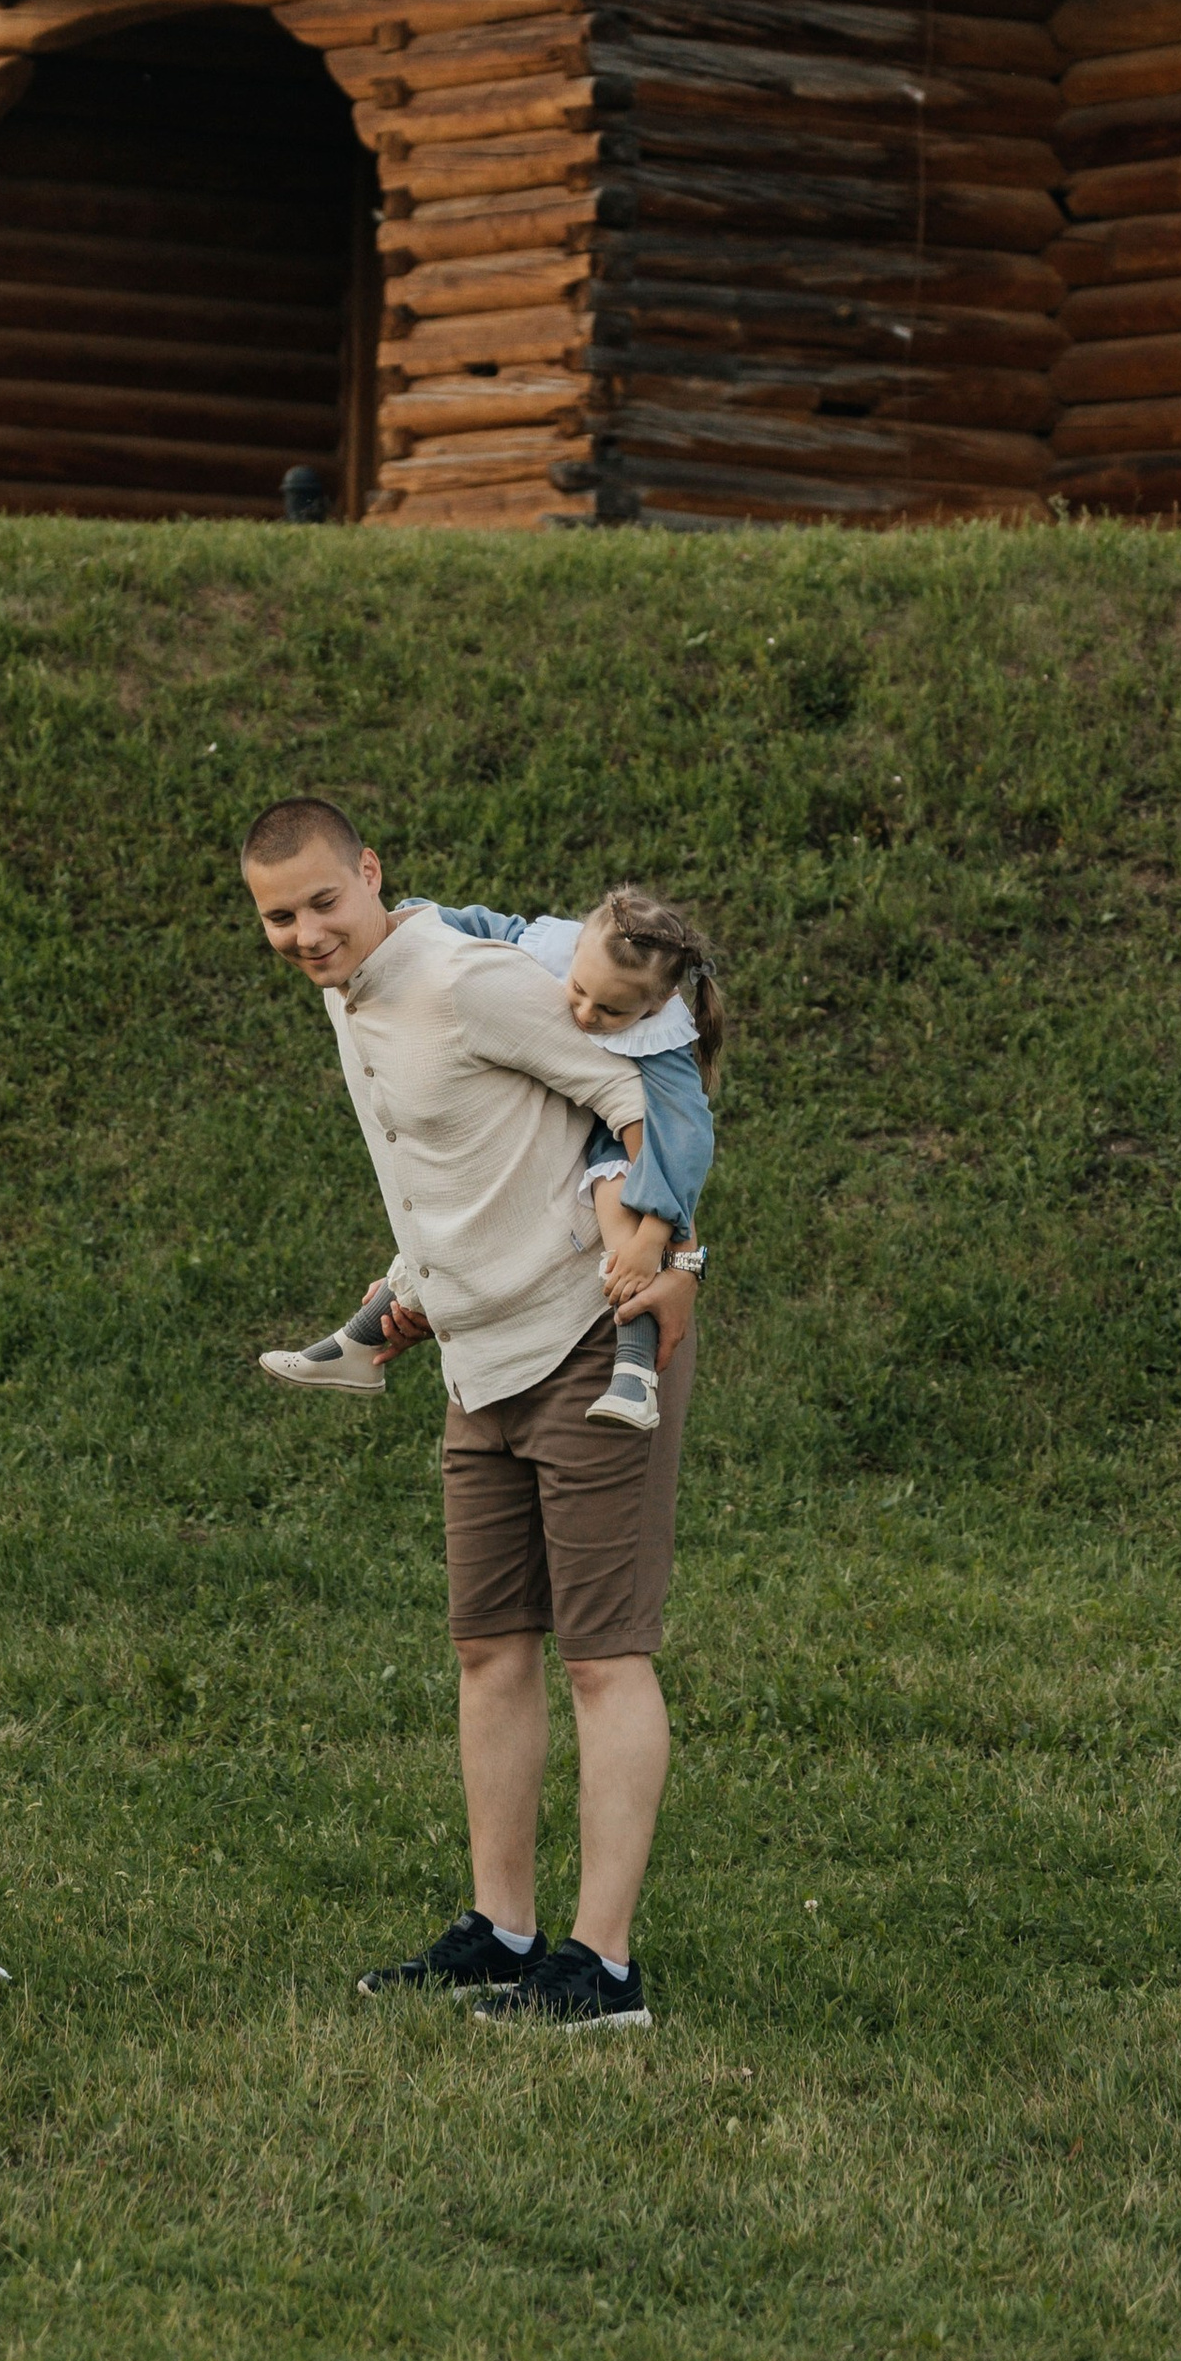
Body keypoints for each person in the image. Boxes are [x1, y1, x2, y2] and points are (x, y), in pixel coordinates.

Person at [239, 799, 705, 2033]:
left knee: (603, 1658)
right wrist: (410, 1285)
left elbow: (644, 1076)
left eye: (322, 903)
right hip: (474, 1358)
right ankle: (501, 1933)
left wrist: (656, 1239)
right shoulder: (351, 996)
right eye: (277, 916)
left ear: (370, 875)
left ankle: (600, 1969)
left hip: (585, 1343)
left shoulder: (466, 980)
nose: (302, 933)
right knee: (489, 1647)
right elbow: (444, 1164)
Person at [262, 885, 721, 1431]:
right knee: (444, 1221)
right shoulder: (549, 948)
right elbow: (479, 924)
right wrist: (409, 920)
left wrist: (659, 1239)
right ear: (575, 953)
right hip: (555, 1120)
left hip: (622, 1140)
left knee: (621, 1227)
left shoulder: (666, 1043)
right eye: (577, 991)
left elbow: (683, 1146)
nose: (584, 1013)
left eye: (612, 1010)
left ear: (656, 1003)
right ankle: (361, 1343)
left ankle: (634, 1373)